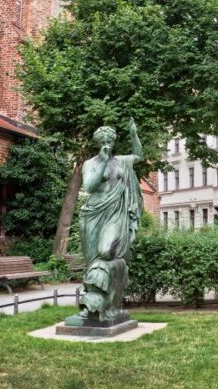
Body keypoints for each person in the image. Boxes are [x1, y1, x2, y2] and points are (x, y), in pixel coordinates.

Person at [73, 119, 142, 324]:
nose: (106, 144)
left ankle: (102, 302)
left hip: (115, 213)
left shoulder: (122, 161)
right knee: (92, 262)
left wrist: (133, 135)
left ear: (114, 141)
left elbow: (139, 155)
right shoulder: (90, 164)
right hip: (93, 215)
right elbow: (89, 187)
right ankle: (93, 306)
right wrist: (102, 160)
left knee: (106, 251)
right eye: (102, 141)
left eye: (109, 141)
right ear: (97, 143)